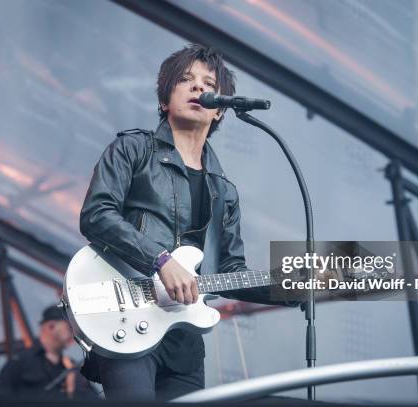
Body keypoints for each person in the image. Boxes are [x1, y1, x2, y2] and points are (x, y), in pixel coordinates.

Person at [79, 44, 290, 401]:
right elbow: (96, 214)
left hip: (184, 340)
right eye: (186, 80)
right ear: (164, 101)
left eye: (208, 83)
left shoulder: (224, 190)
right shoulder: (133, 150)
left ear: (220, 112)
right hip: (127, 319)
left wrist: (288, 287)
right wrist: (160, 260)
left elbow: (230, 271)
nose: (198, 88)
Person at [0, 305, 96, 401]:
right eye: (69, 328)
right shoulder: (20, 362)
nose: (74, 333)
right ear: (51, 327)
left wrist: (73, 387)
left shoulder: (73, 369)